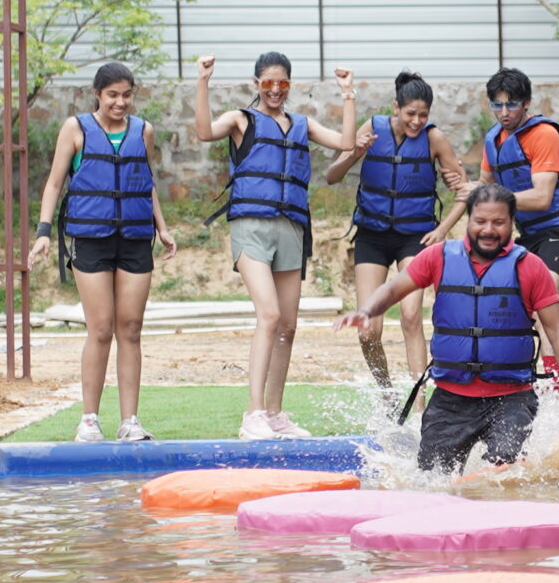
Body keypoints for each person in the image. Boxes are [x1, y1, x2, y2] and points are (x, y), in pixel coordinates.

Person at [339, 182, 559, 476]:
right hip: (450, 399)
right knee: (432, 479)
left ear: (512, 222)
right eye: (480, 221)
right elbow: (394, 287)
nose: (488, 230)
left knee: (507, 475)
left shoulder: (530, 266)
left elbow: (557, 328)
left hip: (511, 399)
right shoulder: (439, 257)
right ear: (468, 219)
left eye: (498, 222)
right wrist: (367, 310)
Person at [194, 51, 355, 440]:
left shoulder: (302, 124)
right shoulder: (240, 120)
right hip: (251, 226)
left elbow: (346, 142)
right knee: (268, 315)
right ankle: (253, 414)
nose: (275, 90)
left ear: (290, 86)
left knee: (287, 325)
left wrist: (348, 94)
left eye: (282, 83)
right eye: (268, 83)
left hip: (291, 228)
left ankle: (275, 413)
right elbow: (203, 131)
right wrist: (202, 81)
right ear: (256, 85)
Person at [27, 61, 176, 442]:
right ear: (98, 94)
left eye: (126, 95)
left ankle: (131, 421)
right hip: (91, 238)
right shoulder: (75, 129)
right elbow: (55, 183)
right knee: (101, 328)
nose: (120, 102)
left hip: (134, 239)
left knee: (131, 328)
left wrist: (162, 227)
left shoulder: (144, 131)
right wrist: (43, 232)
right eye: (112, 95)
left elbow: (145, 182)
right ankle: (89, 419)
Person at [324, 68, 465, 387]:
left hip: (415, 237)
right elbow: (332, 176)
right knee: (368, 328)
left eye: (423, 115)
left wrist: (442, 230)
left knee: (411, 317)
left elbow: (464, 192)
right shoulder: (372, 128)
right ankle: (386, 393)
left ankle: (418, 405)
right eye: (410, 113)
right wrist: (355, 154)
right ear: (395, 108)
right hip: (372, 237)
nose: (416, 121)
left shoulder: (434, 138)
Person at [473, 68, 559, 283]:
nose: (504, 112)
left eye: (511, 104)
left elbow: (542, 198)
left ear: (526, 103)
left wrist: (491, 199)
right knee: (510, 304)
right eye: (497, 105)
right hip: (526, 235)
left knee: (543, 297)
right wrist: (464, 188)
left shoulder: (544, 135)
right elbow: (484, 185)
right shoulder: (493, 139)